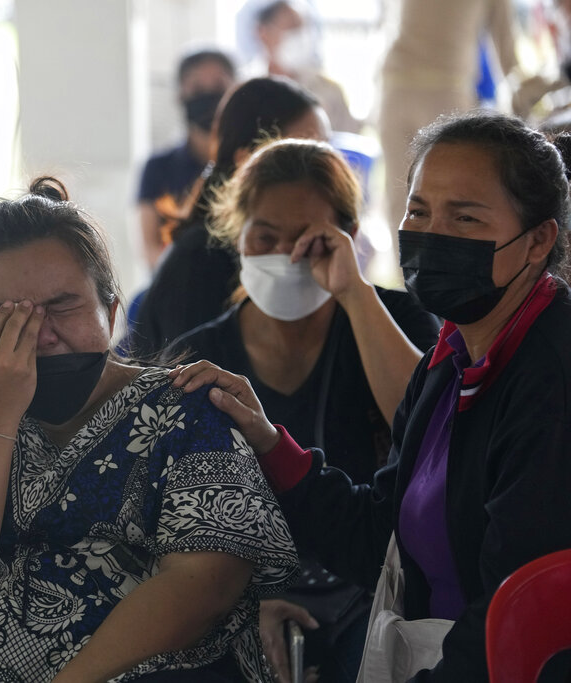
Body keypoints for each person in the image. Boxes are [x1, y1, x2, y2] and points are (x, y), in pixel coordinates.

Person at [172, 111, 571, 680]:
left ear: (537, 240)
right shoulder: (453, 359)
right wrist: (269, 444)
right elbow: (383, 538)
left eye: (465, 217)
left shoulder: (549, 377)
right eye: (419, 210)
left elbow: (518, 602)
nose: (433, 235)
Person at [0, 176, 298, 682]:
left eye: (63, 306)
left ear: (112, 312)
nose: (42, 334)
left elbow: (204, 585)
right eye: (7, 317)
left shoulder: (188, 405)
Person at [165, 138, 440, 682]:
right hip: (237, 593)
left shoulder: (396, 320)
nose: (288, 255)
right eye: (265, 236)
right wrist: (247, 606)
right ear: (236, 236)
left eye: (309, 240)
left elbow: (429, 435)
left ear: (347, 238)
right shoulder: (201, 358)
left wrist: (355, 295)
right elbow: (176, 517)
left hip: (375, 590)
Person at [130, 76, 329, 358]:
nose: (326, 171)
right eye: (303, 155)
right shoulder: (202, 259)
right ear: (248, 160)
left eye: (325, 152)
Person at [378, 0, 517, 258]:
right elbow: (506, 50)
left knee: (404, 199)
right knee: (454, 199)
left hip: (397, 87)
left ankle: (409, 282)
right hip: (442, 90)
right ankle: (434, 281)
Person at [137, 48, 236, 270]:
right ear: (180, 93)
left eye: (219, 87)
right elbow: (150, 248)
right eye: (197, 88)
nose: (209, 96)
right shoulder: (158, 168)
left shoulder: (249, 164)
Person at [250, 0, 361, 134]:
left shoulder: (330, 90)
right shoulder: (244, 87)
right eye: (292, 29)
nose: (301, 37)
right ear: (263, 33)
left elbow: (350, 145)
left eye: (303, 29)